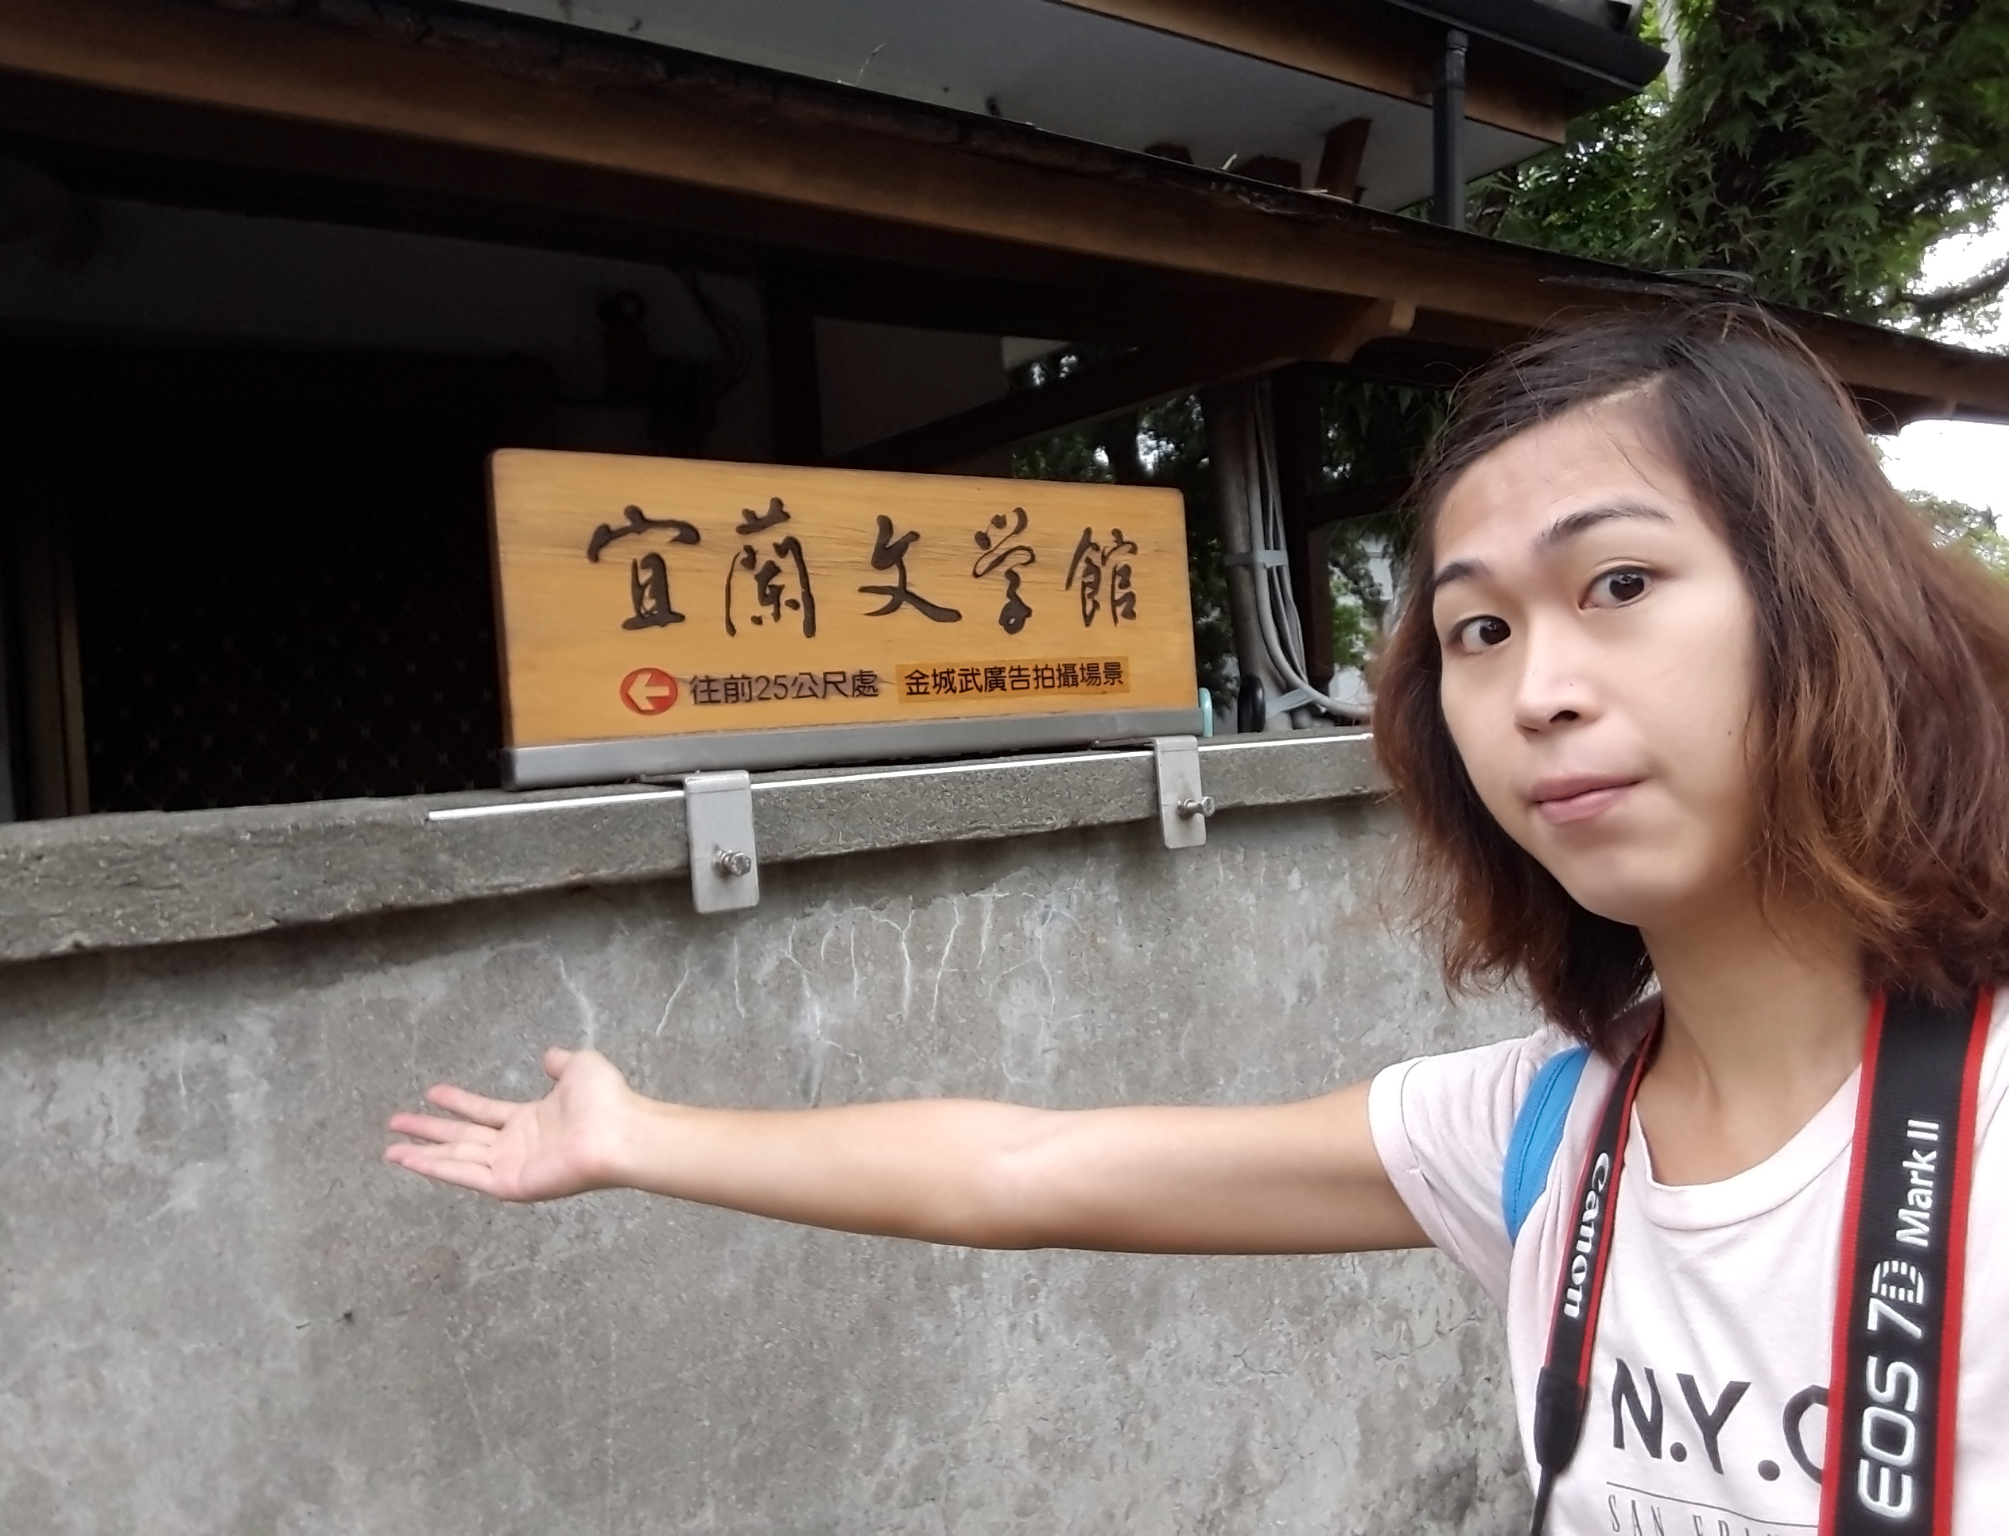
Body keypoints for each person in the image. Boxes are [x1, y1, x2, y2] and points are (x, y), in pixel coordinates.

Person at [386, 307, 2007, 1532]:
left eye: (1621, 586)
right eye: (1477, 631)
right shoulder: (1543, 1132)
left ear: (1826, 605)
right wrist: (638, 1134)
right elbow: (1029, 1169)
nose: (1538, 693)